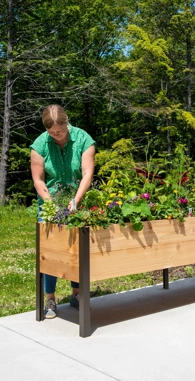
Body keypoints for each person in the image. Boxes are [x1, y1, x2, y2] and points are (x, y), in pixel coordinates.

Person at [30, 104, 96, 319]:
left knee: (76, 249)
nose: (56, 135)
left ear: (67, 123)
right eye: (52, 132)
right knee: (51, 251)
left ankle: (76, 294)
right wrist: (49, 204)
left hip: (77, 198)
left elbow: (87, 173)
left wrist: (75, 200)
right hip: (50, 202)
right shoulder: (40, 144)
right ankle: (50, 298)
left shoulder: (83, 139)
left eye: (60, 130)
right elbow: (38, 179)